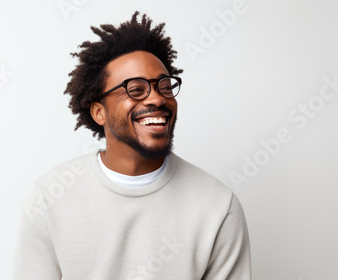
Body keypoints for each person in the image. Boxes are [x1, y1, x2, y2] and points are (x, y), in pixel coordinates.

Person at [13, 11, 251, 280]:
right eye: (135, 89)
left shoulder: (218, 205)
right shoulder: (49, 197)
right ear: (98, 112)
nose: (157, 99)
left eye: (164, 87)